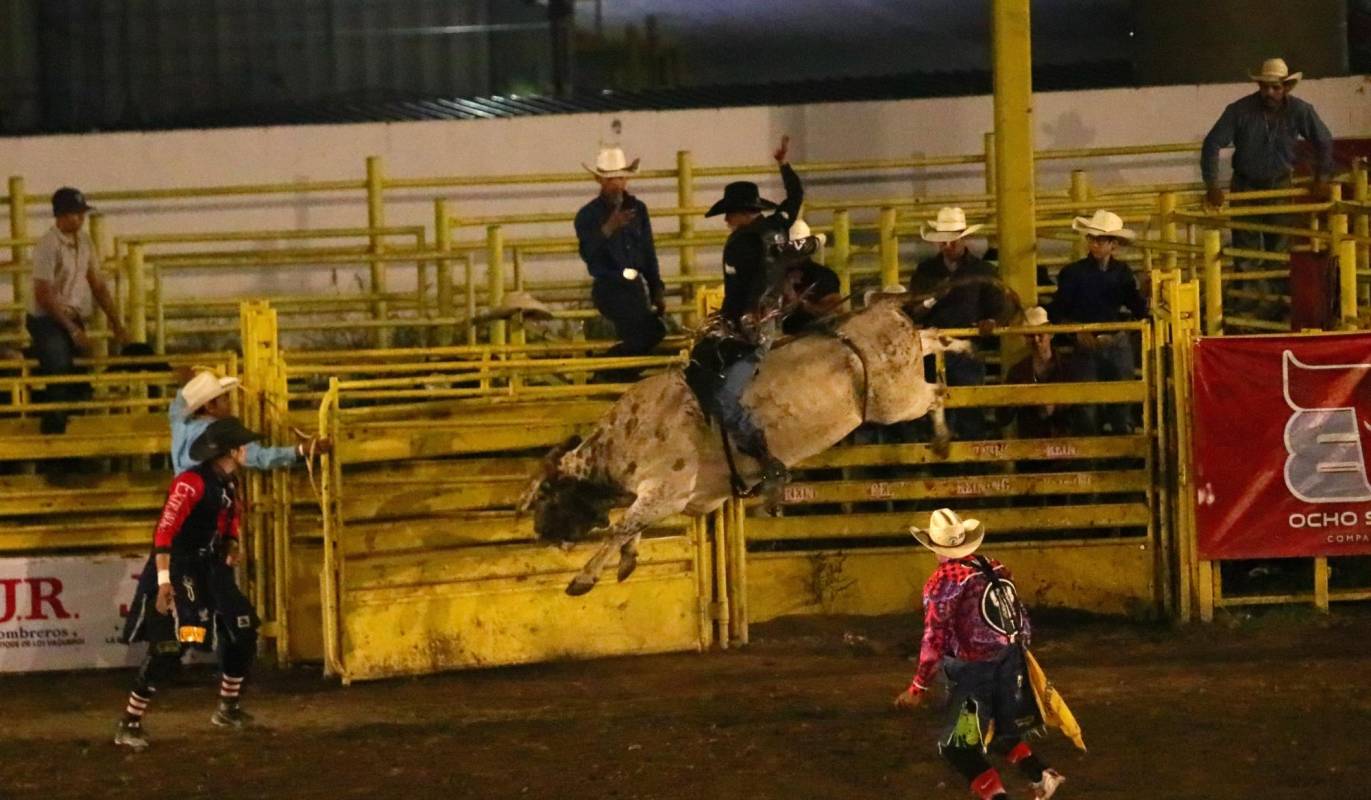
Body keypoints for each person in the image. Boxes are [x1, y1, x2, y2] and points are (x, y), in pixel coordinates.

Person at [115, 417, 266, 751]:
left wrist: (231, 544)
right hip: (180, 565)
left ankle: (228, 707)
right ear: (233, 450)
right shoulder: (191, 483)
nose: (247, 451)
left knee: (242, 630)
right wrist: (165, 580)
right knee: (172, 644)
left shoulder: (229, 483)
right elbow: (165, 532)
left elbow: (231, 519)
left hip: (210, 566)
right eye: (243, 445)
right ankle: (130, 720)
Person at [894, 509, 1066, 800]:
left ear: (934, 546)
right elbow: (1018, 615)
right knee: (1003, 732)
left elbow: (934, 636)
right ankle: (1042, 775)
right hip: (1011, 659)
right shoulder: (994, 566)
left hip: (975, 670)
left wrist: (918, 687)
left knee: (958, 748)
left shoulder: (944, 579)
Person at [693, 135, 805, 512]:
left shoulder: (741, 244)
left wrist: (730, 319)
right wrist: (784, 167)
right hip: (764, 324)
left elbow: (742, 290)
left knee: (722, 395)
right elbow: (795, 200)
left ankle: (762, 455)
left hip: (749, 330)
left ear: (742, 213)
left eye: (730, 213)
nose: (727, 220)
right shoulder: (777, 226)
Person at [1201, 58, 1335, 314]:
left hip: (1277, 186)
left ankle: (1276, 306)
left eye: (1275, 87)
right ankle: (1252, 306)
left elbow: (1324, 140)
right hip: (1249, 185)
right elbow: (1212, 143)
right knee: (1248, 250)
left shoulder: (1297, 110)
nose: (1270, 92)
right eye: (1266, 87)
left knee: (1279, 249)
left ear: (1285, 87)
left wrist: (1323, 177)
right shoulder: (1240, 110)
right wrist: (1212, 184)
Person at [27, 187, 128, 434]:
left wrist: (116, 322)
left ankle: (66, 429)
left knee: (78, 375)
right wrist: (72, 330)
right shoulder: (47, 245)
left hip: (67, 315)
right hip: (47, 318)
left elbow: (97, 283)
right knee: (60, 367)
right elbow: (44, 294)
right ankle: (55, 431)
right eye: (76, 214)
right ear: (61, 215)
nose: (81, 219)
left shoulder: (84, 242)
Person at [909, 207, 1004, 439]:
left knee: (967, 411)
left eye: (952, 241)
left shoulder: (980, 270)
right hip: (937, 349)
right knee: (933, 410)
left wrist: (991, 320)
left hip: (962, 348)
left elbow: (998, 308)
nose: (947, 246)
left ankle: (966, 463)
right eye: (944, 241)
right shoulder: (929, 271)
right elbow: (914, 311)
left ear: (964, 239)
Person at [1050, 210, 1147, 435]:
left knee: (1113, 403)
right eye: (1093, 239)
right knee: (1092, 407)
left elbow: (1138, 306)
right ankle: (1116, 457)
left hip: (1101, 341)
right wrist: (1075, 333)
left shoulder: (1081, 273)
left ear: (1112, 244)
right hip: (1102, 342)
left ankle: (1106, 456)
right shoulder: (1082, 273)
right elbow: (1057, 311)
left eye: (1100, 239)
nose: (1095, 244)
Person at [574, 145, 666, 380]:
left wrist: (656, 288)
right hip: (609, 286)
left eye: (620, 178)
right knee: (643, 333)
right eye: (611, 179)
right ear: (600, 181)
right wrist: (609, 227)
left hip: (634, 286)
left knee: (651, 331)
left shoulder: (638, 210)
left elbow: (647, 250)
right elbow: (588, 253)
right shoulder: (588, 215)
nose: (617, 184)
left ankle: (610, 373)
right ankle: (608, 372)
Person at [170, 369, 327, 474]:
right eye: (225, 399)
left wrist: (186, 387)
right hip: (206, 504)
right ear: (210, 406)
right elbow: (260, 456)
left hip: (183, 501)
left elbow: (177, 408)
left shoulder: (181, 425)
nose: (229, 403)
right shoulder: (221, 432)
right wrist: (301, 449)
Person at [996, 306, 1072, 439]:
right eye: (1031, 335)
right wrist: (1015, 399)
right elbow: (1002, 417)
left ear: (1051, 333)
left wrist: (1057, 406)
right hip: (1031, 445)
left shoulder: (1068, 369)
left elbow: (1079, 415)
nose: (1036, 340)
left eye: (1040, 334)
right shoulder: (1018, 371)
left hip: (1063, 447)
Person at [780, 219, 841, 335]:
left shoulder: (823, 276)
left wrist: (803, 305)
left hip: (810, 338)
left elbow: (835, 312)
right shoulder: (767, 274)